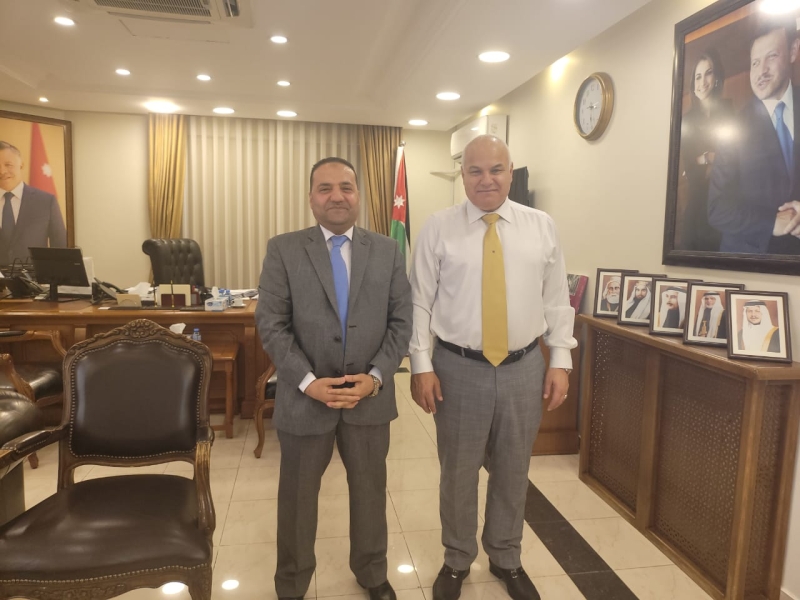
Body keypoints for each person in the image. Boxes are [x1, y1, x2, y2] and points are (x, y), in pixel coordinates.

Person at [409, 135, 575, 600]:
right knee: (458, 472)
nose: (486, 179)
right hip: (457, 368)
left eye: (496, 169)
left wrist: (560, 360)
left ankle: (505, 556)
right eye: (475, 171)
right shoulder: (438, 228)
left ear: (510, 171)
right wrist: (421, 365)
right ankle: (457, 559)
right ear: (462, 175)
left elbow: (556, 299)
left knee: (513, 469)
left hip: (524, 366)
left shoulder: (541, 226)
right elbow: (419, 301)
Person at [255, 157, 412, 600]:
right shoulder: (283, 249)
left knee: (370, 492)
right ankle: (292, 583)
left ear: (358, 195)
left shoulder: (388, 250)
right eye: (325, 188)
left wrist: (376, 377)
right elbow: (271, 324)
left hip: (369, 398)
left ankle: (372, 573)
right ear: (311, 198)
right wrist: (308, 382)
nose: (336, 196)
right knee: (297, 499)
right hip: (305, 399)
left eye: (346, 187)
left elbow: (401, 321)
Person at [708, 18, 800, 254]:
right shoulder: (734, 126)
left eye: (772, 56)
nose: (761, 71)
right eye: (755, 62)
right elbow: (717, 207)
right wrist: (770, 222)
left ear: (793, 51)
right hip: (751, 260)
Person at [679, 49, 733, 251]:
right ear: (693, 83)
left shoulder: (728, 112)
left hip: (727, 203)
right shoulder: (687, 121)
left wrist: (703, 159)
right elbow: (690, 171)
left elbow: (734, 160)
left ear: (717, 76)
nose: (702, 82)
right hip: (698, 207)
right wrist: (710, 156)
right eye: (698, 76)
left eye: (708, 73)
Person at [0, 141, 67, 265]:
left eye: (8, 164)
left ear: (21, 164)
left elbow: (61, 249)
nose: (2, 171)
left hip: (35, 277)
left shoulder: (46, 201)